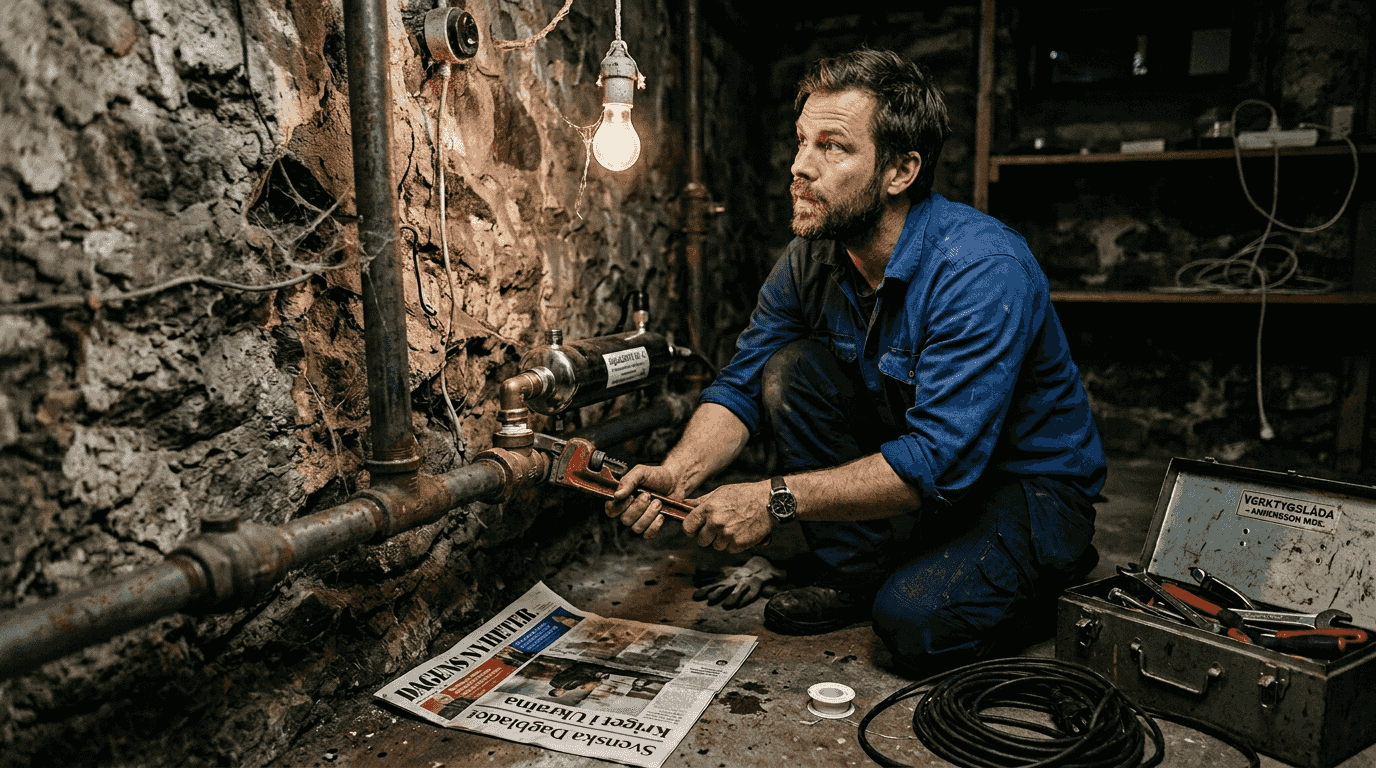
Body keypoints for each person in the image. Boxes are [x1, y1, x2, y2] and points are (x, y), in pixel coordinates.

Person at [605, 48, 1106, 672]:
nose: (799, 166)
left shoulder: (980, 269)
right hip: (927, 472)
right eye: (801, 141)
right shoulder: (812, 258)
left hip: (1024, 485)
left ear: (900, 171)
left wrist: (772, 499)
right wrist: (677, 474)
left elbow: (938, 462)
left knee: (914, 626)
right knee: (789, 370)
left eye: (832, 147)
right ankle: (857, 572)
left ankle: (1049, 571)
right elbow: (740, 386)